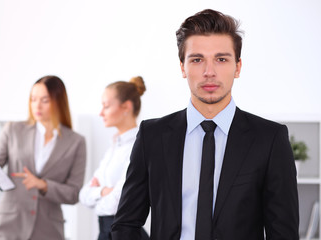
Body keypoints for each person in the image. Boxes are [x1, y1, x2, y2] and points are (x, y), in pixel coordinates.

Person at [111, 9, 299, 240]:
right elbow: (126, 223)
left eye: (221, 59)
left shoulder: (270, 139)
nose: (209, 72)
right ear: (182, 67)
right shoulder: (153, 136)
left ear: (237, 67)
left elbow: (283, 233)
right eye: (197, 59)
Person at [0, 75, 86, 240]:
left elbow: (73, 194)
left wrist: (43, 185)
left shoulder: (76, 142)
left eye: (45, 100)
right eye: (33, 99)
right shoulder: (13, 130)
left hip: (48, 230)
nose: (37, 105)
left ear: (59, 102)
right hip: (8, 226)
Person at [80, 76, 149, 240]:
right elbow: (83, 195)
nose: (100, 113)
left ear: (126, 107)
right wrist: (104, 191)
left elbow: (118, 202)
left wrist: (97, 193)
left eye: (106, 106)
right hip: (106, 233)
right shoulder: (115, 146)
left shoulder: (139, 146)